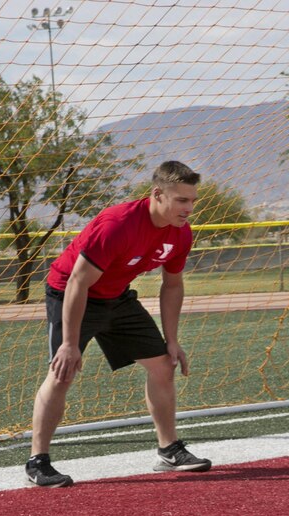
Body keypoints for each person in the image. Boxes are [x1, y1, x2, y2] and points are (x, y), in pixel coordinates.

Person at [25, 160, 211, 488]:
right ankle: (37, 462)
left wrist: (172, 340)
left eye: (193, 200)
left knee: (163, 365)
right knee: (61, 373)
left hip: (117, 297)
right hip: (70, 292)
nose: (189, 208)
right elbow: (77, 283)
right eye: (182, 200)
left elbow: (173, 285)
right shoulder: (118, 224)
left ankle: (169, 451)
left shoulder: (180, 233)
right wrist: (69, 344)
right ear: (158, 195)